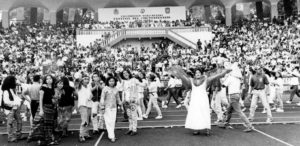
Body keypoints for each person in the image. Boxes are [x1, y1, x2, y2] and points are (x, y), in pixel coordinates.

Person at [172, 66, 231, 136]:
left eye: (199, 72)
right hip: (194, 100)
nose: (197, 74)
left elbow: (217, 76)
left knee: (204, 113)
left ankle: (207, 129)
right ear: (194, 74)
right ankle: (196, 129)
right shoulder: (191, 80)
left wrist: (225, 71)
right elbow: (182, 77)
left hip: (203, 100)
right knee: (195, 114)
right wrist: (176, 72)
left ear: (201, 73)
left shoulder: (206, 80)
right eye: (196, 72)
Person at [219, 63, 254, 132]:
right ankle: (226, 123)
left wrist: (221, 79)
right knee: (229, 110)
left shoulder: (230, 77)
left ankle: (249, 125)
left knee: (239, 112)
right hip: (237, 95)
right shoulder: (237, 78)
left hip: (232, 96)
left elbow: (223, 85)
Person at [1, 76, 24, 142]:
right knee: (10, 123)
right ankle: (10, 137)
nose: (15, 82)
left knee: (19, 121)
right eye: (14, 81)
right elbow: (6, 102)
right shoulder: (6, 91)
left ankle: (18, 135)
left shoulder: (11, 89)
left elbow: (15, 97)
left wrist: (19, 101)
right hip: (10, 109)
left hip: (14, 108)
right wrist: (16, 103)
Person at [100, 77, 122, 143]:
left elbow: (118, 98)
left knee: (112, 121)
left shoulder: (116, 89)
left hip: (114, 107)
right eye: (110, 81)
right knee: (108, 121)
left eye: (113, 81)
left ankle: (111, 135)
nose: (111, 82)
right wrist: (102, 107)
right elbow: (102, 98)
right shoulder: (105, 89)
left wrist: (120, 103)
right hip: (107, 107)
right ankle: (112, 136)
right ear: (107, 82)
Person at [120, 70, 139, 136]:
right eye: (123, 73)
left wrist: (134, 98)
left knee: (133, 115)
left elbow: (136, 88)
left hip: (132, 100)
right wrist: (123, 100)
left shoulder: (133, 80)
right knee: (129, 115)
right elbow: (122, 91)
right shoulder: (123, 82)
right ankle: (130, 129)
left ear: (129, 73)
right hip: (126, 101)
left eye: (126, 72)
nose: (125, 74)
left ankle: (134, 129)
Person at [77, 74, 93, 142]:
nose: (87, 80)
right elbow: (78, 80)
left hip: (89, 105)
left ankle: (86, 134)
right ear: (82, 81)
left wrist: (91, 97)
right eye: (85, 79)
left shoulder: (88, 87)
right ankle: (81, 135)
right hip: (83, 105)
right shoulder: (80, 87)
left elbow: (90, 95)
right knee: (84, 121)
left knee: (88, 121)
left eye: (87, 79)